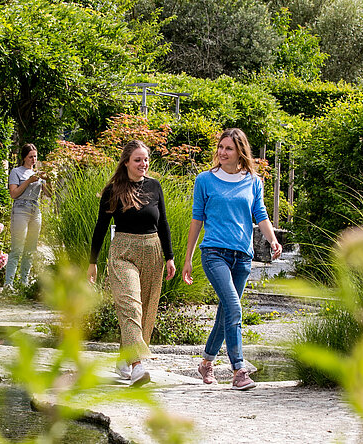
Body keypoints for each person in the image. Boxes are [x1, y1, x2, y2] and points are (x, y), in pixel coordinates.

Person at [181, 128, 282, 390]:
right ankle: (239, 370)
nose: (222, 152)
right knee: (235, 308)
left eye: (229, 148)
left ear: (240, 152)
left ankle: (206, 362)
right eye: (221, 147)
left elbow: (260, 215)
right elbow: (197, 219)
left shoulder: (253, 181)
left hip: (243, 257)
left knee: (226, 311)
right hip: (214, 253)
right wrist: (188, 258)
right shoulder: (205, 180)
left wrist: (272, 240)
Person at [88, 140, 176, 387]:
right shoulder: (113, 190)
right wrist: (92, 262)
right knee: (131, 307)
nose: (143, 164)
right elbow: (101, 227)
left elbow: (163, 224)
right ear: (126, 162)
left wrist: (169, 257)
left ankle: (124, 359)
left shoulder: (155, 186)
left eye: (146, 159)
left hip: (153, 252)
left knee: (145, 311)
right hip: (123, 253)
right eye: (138, 160)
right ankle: (137, 366)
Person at [6, 143, 45, 289]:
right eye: (30, 157)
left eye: (35, 156)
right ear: (24, 157)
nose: (33, 159)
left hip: (35, 210)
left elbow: (48, 194)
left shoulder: (38, 173)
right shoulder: (16, 172)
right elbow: (13, 194)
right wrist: (29, 181)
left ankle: (24, 283)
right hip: (21, 209)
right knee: (17, 247)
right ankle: (8, 284)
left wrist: (47, 180)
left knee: (30, 248)